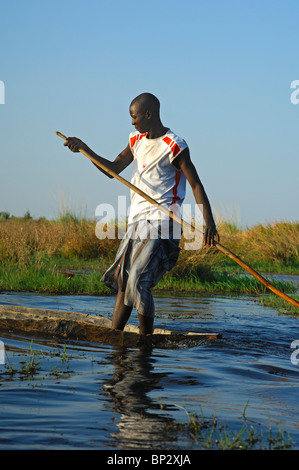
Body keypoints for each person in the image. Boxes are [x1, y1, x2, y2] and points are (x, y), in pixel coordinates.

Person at [64, 92, 219, 335]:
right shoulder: (136, 140)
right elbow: (113, 169)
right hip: (137, 221)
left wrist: (210, 224)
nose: (132, 122)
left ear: (148, 114)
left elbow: (196, 184)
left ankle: (146, 344)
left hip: (164, 221)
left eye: (134, 117)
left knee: (138, 278)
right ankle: (115, 339)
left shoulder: (174, 145)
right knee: (124, 281)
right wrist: (85, 149)